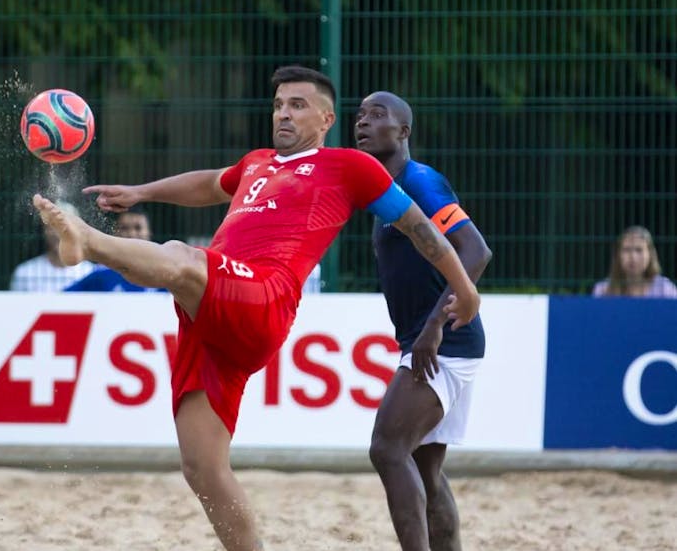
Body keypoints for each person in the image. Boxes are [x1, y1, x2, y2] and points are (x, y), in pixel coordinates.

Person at [32, 66, 481, 551]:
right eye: (278, 105)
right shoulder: (258, 162)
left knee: (182, 258)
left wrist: (465, 290)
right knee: (202, 467)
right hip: (210, 314)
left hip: (262, 298)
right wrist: (143, 192)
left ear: (326, 117)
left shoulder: (351, 167)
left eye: (298, 105)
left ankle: (87, 242)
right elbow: (208, 184)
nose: (283, 114)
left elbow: (422, 230)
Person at [355, 91, 492, 550]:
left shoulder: (421, 181)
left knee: (387, 449)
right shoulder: (384, 193)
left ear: (404, 132)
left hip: (445, 339)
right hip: (434, 339)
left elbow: (475, 250)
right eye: (359, 116)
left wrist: (434, 326)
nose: (364, 122)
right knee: (427, 473)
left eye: (378, 115)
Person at [64, 206, 165, 292]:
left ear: (149, 232)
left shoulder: (164, 274)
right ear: (116, 233)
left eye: (138, 228)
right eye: (124, 228)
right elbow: (62, 298)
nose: (132, 234)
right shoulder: (101, 275)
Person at [9, 200, 94, 291]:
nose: (58, 233)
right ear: (44, 230)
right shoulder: (25, 274)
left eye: (66, 227)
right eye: (53, 226)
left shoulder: (90, 273)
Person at [592, 225, 677, 298]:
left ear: (650, 254)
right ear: (618, 255)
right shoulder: (603, 290)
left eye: (639, 250)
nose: (632, 257)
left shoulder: (664, 288)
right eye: (626, 250)